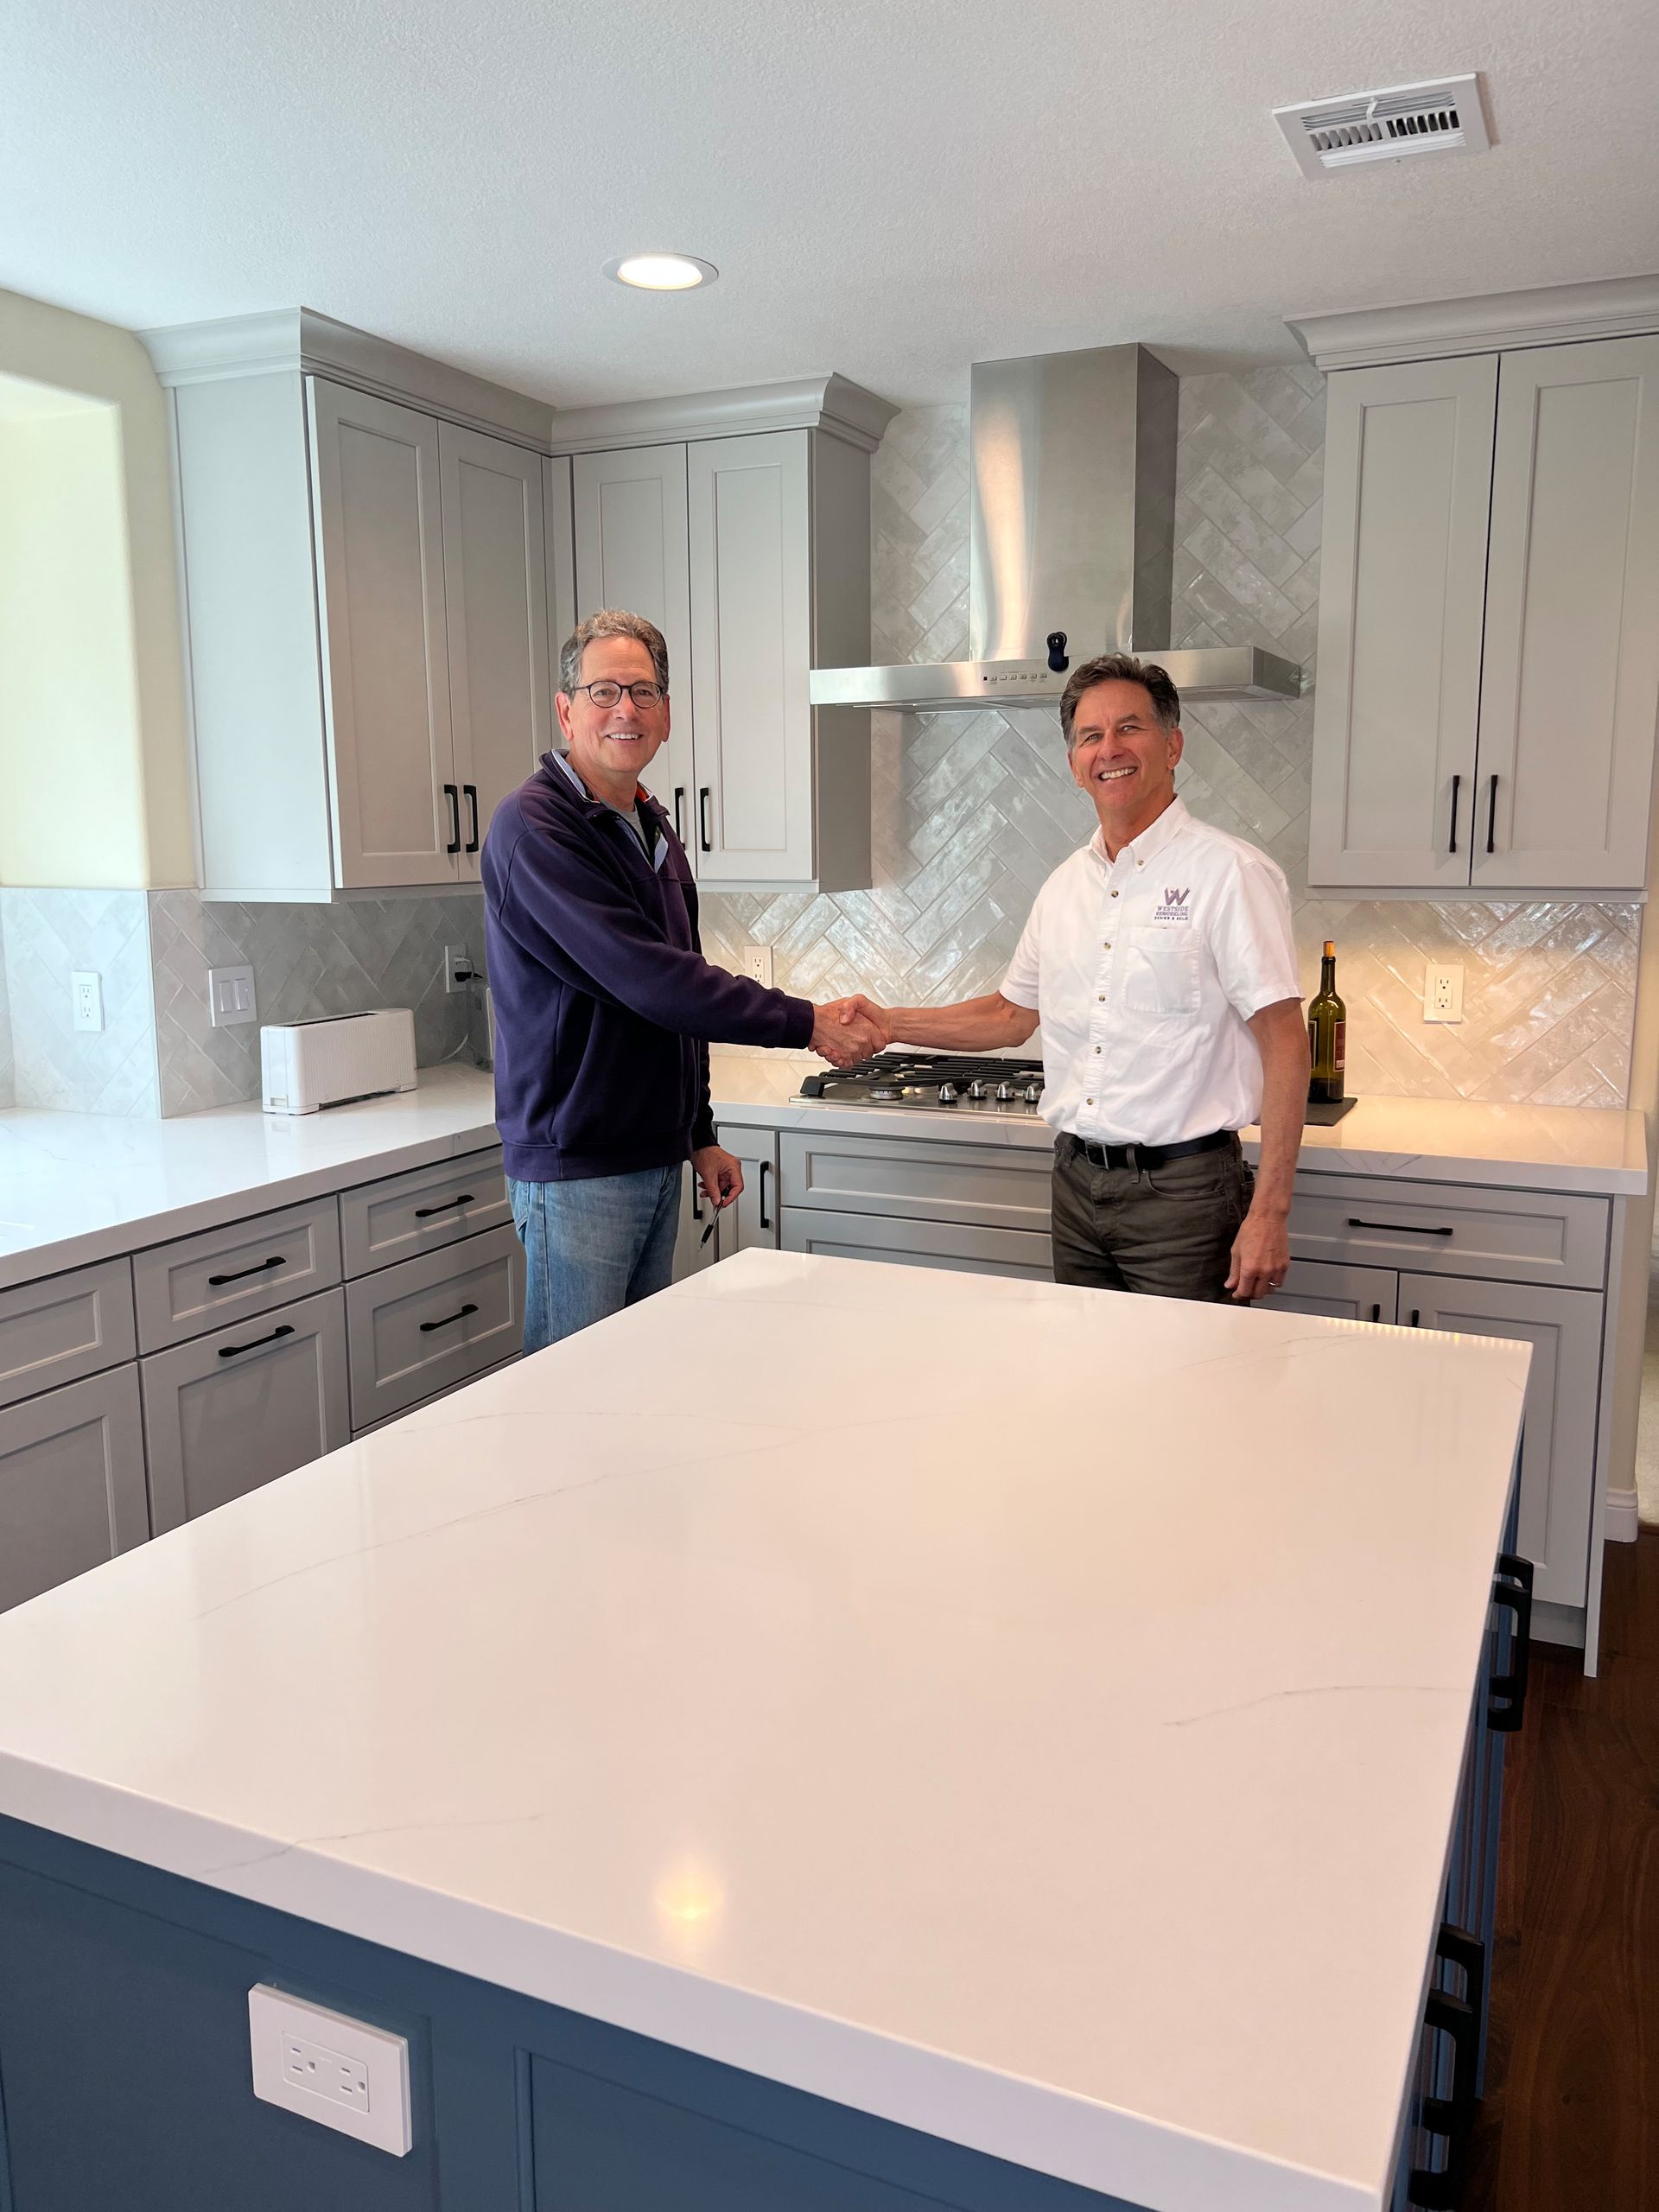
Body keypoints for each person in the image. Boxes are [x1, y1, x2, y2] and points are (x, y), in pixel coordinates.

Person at [844, 652, 1306, 1302]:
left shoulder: (1230, 874)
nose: (1109, 749)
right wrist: (890, 1024)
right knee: (1088, 1387)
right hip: (1075, 1185)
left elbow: (1286, 1038)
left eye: (1130, 729)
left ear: (1172, 745)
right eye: (1090, 736)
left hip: (1185, 1199)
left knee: (1186, 1393)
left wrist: (1271, 1213)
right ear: (1073, 765)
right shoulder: (1065, 887)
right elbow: (1011, 1016)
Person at [482, 609, 880, 1351]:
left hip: (651, 1157)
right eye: (602, 692)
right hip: (579, 1171)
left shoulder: (650, 827)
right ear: (566, 711)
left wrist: (696, 1133)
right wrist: (808, 1022)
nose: (624, 710)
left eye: (642, 692)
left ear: (666, 715)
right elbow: (650, 980)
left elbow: (678, 992)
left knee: (635, 1382)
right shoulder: (535, 829)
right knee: (575, 1399)